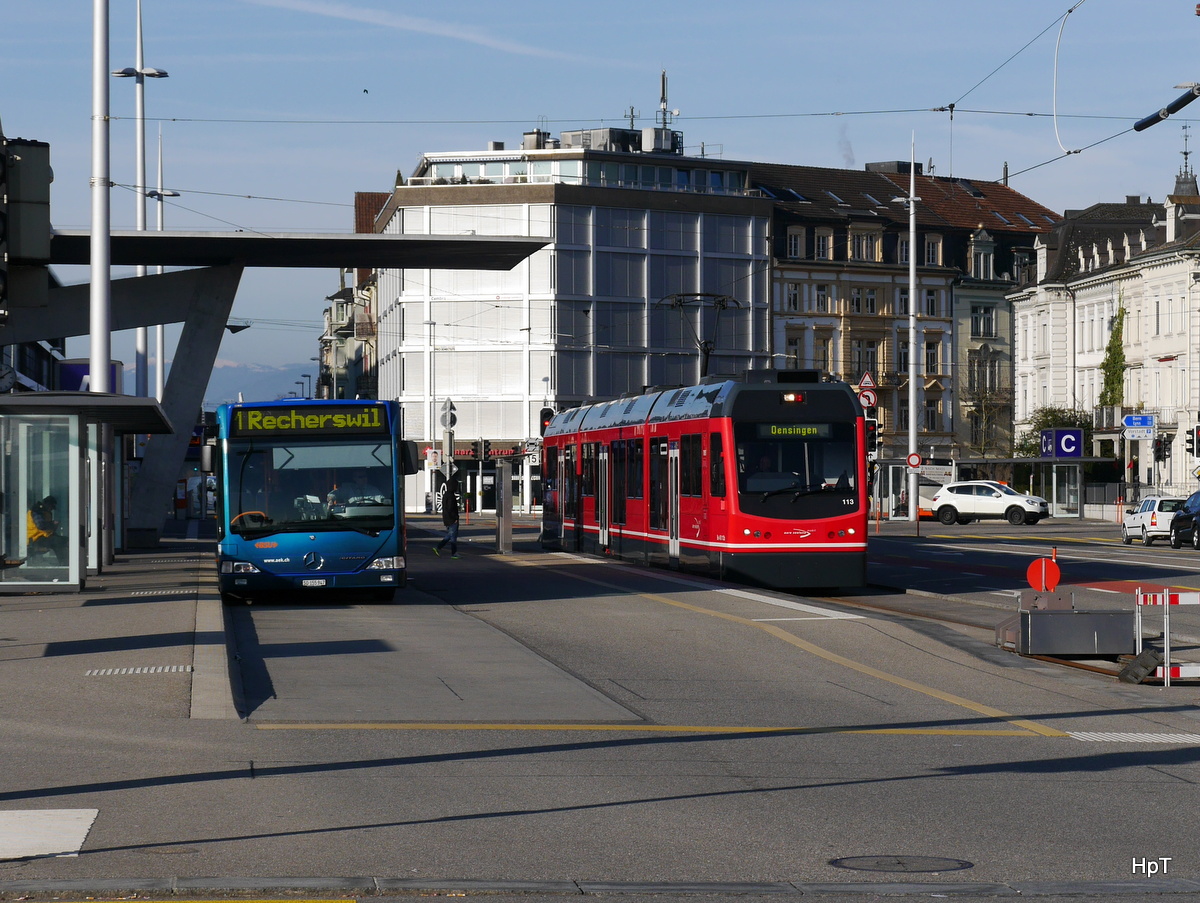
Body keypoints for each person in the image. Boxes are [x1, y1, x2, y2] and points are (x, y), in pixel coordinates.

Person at [27, 495, 67, 563]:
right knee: (57, 541)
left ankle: (66, 562)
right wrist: (52, 524)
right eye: (51, 507)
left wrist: (53, 528)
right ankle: (64, 563)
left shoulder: (46, 512)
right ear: (47, 504)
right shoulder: (36, 511)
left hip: (43, 536)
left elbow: (47, 531)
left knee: (64, 540)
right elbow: (41, 526)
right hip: (34, 539)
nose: (51, 509)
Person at [434, 478, 460, 559]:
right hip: (452, 519)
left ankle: (438, 547)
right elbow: (450, 508)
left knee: (450, 535)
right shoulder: (451, 496)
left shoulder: (446, 495)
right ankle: (453, 553)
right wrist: (455, 518)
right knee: (453, 537)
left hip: (447, 519)